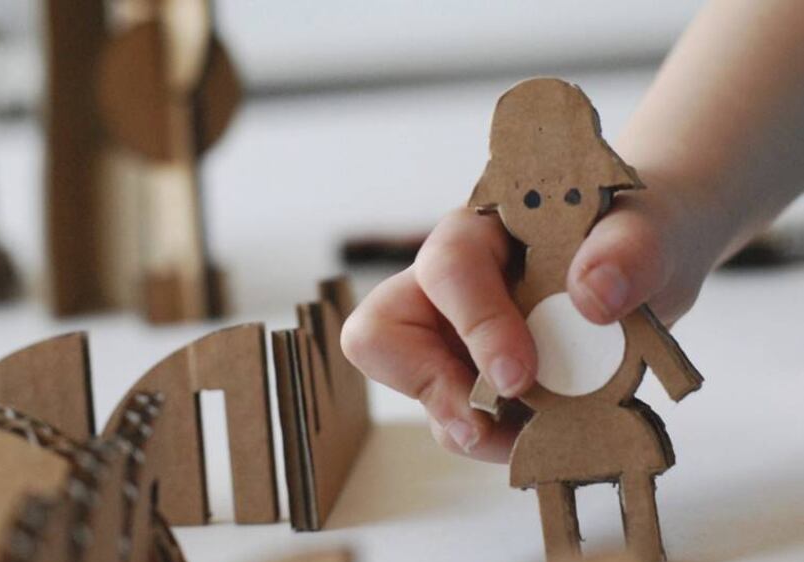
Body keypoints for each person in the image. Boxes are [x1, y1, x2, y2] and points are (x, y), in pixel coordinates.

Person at [340, 0, 804, 463]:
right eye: (531, 199)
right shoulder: (533, 288)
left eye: (572, 192)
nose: (554, 206)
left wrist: (674, 373)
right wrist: (669, 204)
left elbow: (645, 336)